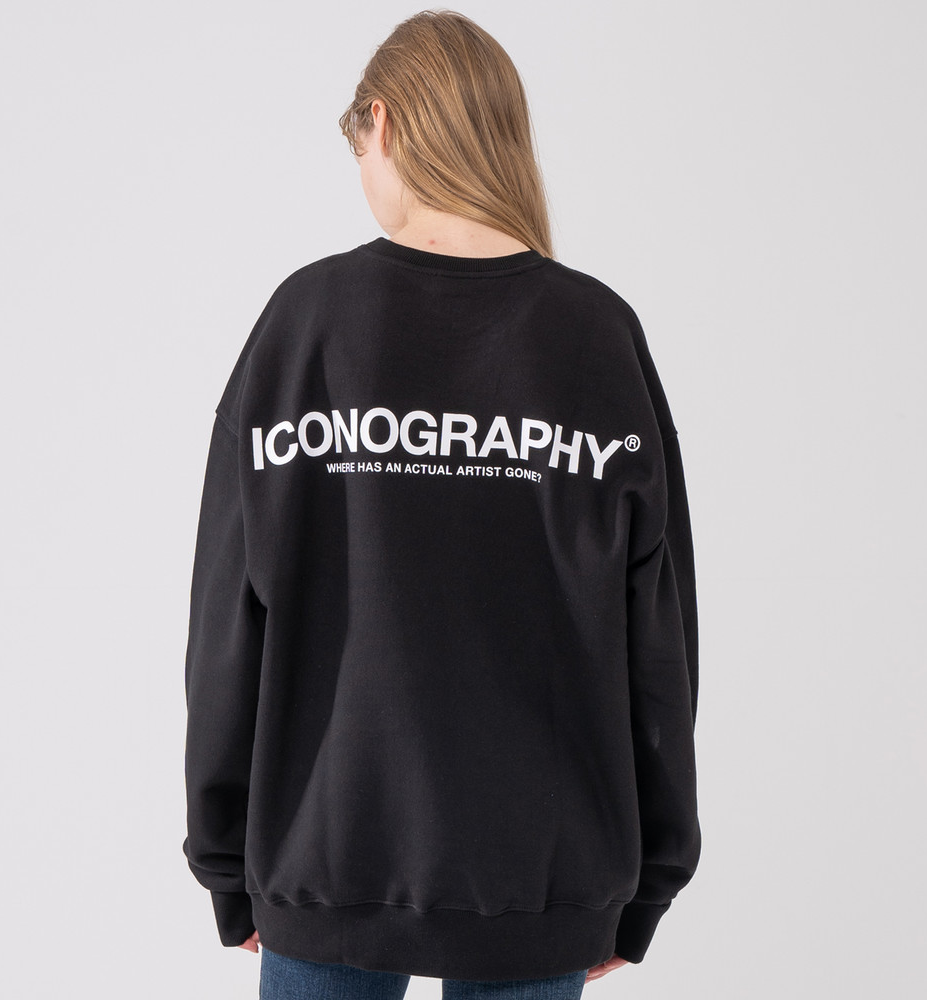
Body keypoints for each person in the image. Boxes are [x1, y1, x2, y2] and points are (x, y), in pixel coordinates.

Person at [181, 9, 701, 999]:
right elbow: (658, 639)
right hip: (543, 871)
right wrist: (647, 879)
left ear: (379, 121)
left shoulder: (305, 323)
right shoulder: (595, 335)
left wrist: (224, 855)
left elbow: (226, 619)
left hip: (326, 854)